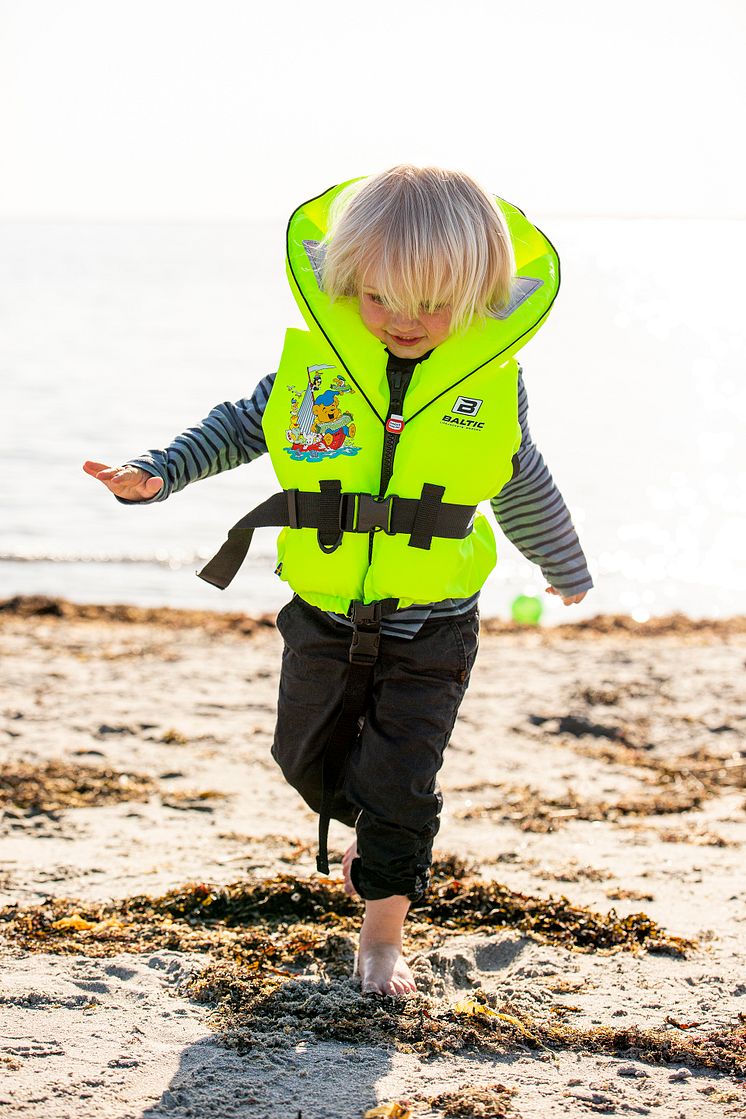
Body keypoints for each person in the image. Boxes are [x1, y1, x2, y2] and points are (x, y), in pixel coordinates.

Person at [84, 165, 593, 997]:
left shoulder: (490, 382)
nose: (402, 322)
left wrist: (561, 561)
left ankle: (382, 935)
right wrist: (158, 471)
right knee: (304, 759)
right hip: (322, 611)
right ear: (349, 280)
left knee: (400, 783)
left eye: (430, 304)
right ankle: (375, 828)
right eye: (382, 299)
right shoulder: (317, 363)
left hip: (433, 623)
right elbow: (239, 427)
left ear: (472, 297)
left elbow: (519, 474)